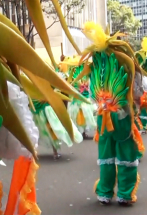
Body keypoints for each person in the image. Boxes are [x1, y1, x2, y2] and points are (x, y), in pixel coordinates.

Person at [79, 22, 145, 206]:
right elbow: (138, 94)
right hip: (122, 119)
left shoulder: (95, 70)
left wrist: (104, 103)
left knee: (106, 157)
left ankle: (105, 193)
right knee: (125, 156)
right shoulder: (126, 66)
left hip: (103, 117)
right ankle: (124, 194)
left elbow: (92, 96)